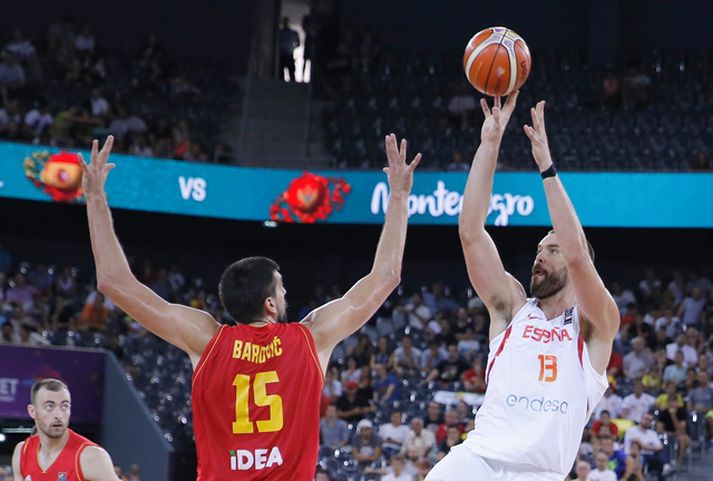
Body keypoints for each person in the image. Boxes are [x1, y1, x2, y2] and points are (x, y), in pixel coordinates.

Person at [79, 134, 420, 481]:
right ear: (271, 304)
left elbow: (113, 282)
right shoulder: (311, 338)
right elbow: (386, 277)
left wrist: (94, 198)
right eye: (282, 288)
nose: (286, 294)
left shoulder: (206, 339)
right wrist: (399, 196)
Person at [426, 95, 618, 481]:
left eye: (551, 249)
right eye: (537, 249)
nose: (539, 256)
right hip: (478, 460)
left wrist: (546, 168)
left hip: (540, 472)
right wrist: (489, 144)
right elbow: (470, 232)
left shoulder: (595, 325)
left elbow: (579, 256)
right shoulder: (512, 307)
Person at [11, 379, 118, 481]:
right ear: (32, 411)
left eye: (64, 406)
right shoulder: (22, 452)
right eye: (50, 406)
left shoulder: (90, 456)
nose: (59, 415)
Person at [278, 17, 300, 81]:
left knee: (286, 74)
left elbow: (298, 44)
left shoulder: (281, 32)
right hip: (286, 54)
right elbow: (298, 44)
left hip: (286, 54)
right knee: (288, 74)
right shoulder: (292, 33)